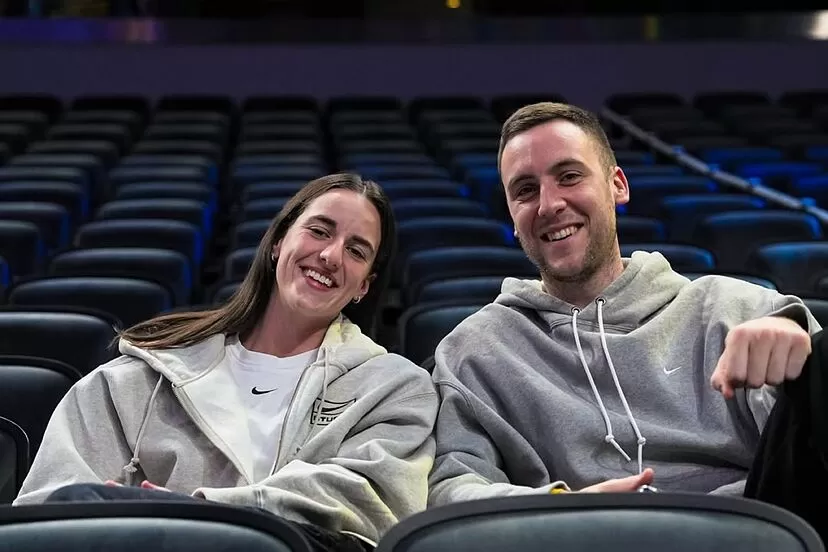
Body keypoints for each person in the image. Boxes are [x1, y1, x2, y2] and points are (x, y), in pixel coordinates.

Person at [428, 103, 823, 515]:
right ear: (511, 213)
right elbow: (449, 488)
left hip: (749, 532)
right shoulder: (476, 349)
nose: (548, 204)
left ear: (618, 186)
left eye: (569, 176)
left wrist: (800, 359)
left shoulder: (735, 308)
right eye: (525, 190)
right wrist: (561, 507)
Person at [14, 173, 439, 551]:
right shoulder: (136, 376)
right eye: (319, 231)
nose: (331, 255)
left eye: (356, 250)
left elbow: (368, 506)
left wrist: (195, 511)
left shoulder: (396, 387)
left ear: (364, 286)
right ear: (278, 243)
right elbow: (52, 508)